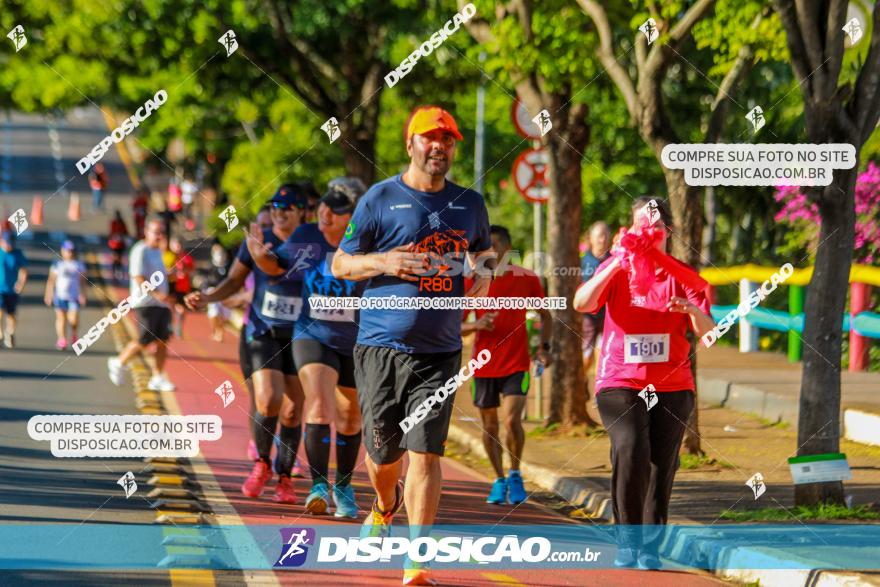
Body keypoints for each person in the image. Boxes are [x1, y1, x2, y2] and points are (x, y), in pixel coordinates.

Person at [332, 105, 494, 586]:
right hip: (380, 346)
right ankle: (384, 505)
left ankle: (417, 560)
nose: (439, 146)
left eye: (448, 139)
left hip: (440, 353)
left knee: (426, 453)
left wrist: (482, 274)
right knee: (383, 456)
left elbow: (483, 253)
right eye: (430, 138)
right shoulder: (380, 199)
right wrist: (383, 261)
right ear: (410, 143)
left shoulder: (470, 203)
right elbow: (341, 264)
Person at [572, 197, 715, 570]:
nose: (645, 232)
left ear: (666, 231)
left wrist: (694, 312)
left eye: (652, 225)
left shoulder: (683, 275)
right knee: (631, 447)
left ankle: (651, 545)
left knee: (660, 464)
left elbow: (709, 334)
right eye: (638, 225)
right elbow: (582, 303)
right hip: (620, 381)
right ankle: (627, 538)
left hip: (673, 384)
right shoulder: (617, 269)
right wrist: (616, 261)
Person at [248, 177, 367, 519]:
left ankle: (342, 485)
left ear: (354, 215)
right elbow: (277, 267)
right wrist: (261, 256)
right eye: (325, 206)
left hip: (356, 339)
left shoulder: (368, 241)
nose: (327, 214)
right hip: (312, 334)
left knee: (349, 416)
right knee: (317, 404)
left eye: (338, 210)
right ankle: (318, 486)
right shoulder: (307, 237)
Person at [185, 185, 308, 503]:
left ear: (302, 212)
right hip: (262, 331)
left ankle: (284, 478)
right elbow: (235, 282)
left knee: (293, 412)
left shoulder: (313, 242)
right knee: (268, 401)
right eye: (276, 207)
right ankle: (262, 464)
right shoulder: (255, 242)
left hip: (302, 334)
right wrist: (208, 297)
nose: (280, 212)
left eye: (288, 207)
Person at [461, 225, 552, 506]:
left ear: (506, 248)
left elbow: (545, 316)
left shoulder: (527, 279)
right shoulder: (473, 280)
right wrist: (476, 323)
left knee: (512, 420)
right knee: (489, 425)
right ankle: (499, 479)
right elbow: (455, 326)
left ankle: (515, 474)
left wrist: (543, 348)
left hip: (516, 363)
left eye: (494, 246)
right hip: (484, 364)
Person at [107, 216, 177, 392]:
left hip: (161, 304)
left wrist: (170, 277)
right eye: (156, 232)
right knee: (145, 339)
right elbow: (137, 276)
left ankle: (158, 377)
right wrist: (156, 294)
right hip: (146, 302)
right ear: (146, 232)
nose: (159, 235)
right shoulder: (140, 250)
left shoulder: (158, 252)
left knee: (163, 340)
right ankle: (119, 361)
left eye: (161, 232)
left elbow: (161, 275)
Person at [580, 221, 611, 401]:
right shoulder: (584, 261)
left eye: (606, 234)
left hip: (609, 315)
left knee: (606, 354)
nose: (603, 239)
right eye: (599, 235)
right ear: (590, 238)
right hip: (589, 316)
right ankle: (582, 379)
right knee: (588, 355)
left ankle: (602, 391)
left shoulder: (613, 258)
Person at [44, 240, 87, 350]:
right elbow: (51, 280)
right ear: (62, 251)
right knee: (61, 318)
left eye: (72, 251)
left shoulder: (79, 265)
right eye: (68, 251)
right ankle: (62, 339)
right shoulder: (57, 264)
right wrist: (49, 294)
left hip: (74, 296)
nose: (70, 253)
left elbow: (83, 282)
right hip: (60, 296)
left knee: (73, 319)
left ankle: (74, 334)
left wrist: (83, 295)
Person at [0, 230, 28, 349]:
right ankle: (0, 335)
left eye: (10, 243)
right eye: (6, 243)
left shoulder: (18, 254)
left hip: (12, 290)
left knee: (11, 315)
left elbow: (23, 271)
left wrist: (20, 284)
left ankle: (9, 333)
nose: (8, 245)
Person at [169, 237, 194, 338]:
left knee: (181, 309)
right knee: (170, 307)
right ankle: (170, 325)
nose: (177, 247)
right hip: (170, 286)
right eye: (175, 245)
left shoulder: (186, 257)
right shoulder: (168, 256)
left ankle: (178, 326)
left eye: (179, 245)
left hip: (182, 287)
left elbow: (191, 269)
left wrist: (184, 270)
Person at [108, 210, 129, 282]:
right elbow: (111, 232)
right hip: (114, 245)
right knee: (115, 259)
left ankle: (120, 272)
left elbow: (126, 232)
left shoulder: (122, 223)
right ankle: (114, 274)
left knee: (119, 259)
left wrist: (122, 236)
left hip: (121, 245)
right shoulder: (113, 223)